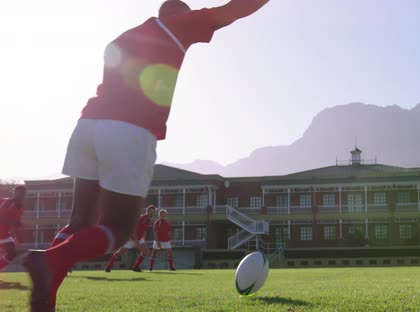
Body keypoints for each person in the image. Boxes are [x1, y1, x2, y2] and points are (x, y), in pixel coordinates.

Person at [23, 0, 270, 311]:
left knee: (80, 221)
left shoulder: (125, 36)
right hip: (127, 130)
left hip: (86, 126)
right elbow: (232, 10)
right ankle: (49, 260)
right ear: (181, 13)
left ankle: (46, 300)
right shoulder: (176, 26)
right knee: (119, 228)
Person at [105, 205, 157, 272]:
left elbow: (144, 231)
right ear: (147, 211)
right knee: (121, 252)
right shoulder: (141, 218)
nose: (152, 213)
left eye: (153, 212)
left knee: (146, 251)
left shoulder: (148, 220)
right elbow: (133, 230)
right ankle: (108, 267)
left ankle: (135, 267)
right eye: (150, 211)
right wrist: (136, 242)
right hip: (132, 238)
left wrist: (143, 240)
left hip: (139, 238)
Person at [0, 185, 27, 271]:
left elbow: (15, 224)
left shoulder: (20, 209)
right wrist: (13, 222)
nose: (21, 196)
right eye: (19, 194)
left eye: (23, 194)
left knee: (12, 253)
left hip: (4, 235)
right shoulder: (7, 202)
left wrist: (18, 230)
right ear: (14, 193)